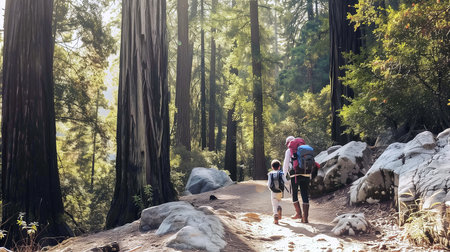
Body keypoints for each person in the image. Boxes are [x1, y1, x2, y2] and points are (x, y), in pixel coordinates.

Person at [282, 136, 314, 223]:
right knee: (304, 194)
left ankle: (298, 214)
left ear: (288, 142)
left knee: (294, 193)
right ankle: (305, 218)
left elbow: (286, 164)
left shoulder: (289, 150)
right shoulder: (305, 149)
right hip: (306, 173)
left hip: (295, 174)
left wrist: (283, 175)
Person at [267, 159, 287, 224]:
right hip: (280, 191)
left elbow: (269, 184)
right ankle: (279, 207)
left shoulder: (270, 174)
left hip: (273, 191)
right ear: (279, 167)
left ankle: (275, 215)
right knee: (278, 201)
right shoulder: (281, 173)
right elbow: (286, 182)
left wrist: (270, 188)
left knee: (274, 203)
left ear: (272, 167)